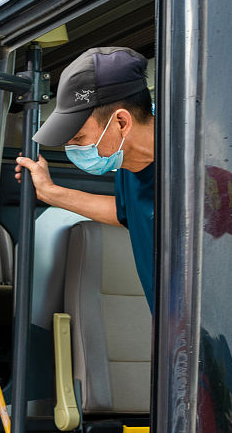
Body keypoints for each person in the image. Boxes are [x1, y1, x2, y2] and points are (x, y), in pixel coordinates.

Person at [15, 46, 157, 311]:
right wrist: (50, 192)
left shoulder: (194, 163)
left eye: (79, 138)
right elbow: (126, 212)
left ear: (122, 123)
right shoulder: (126, 163)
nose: (72, 150)